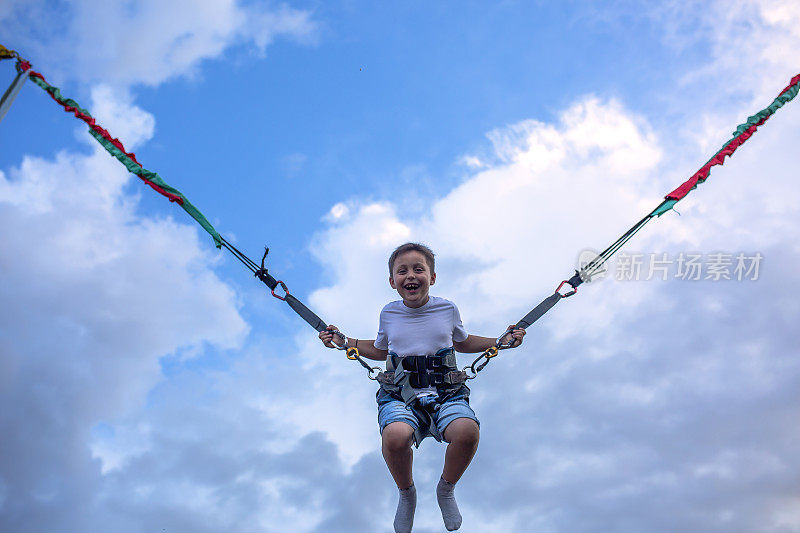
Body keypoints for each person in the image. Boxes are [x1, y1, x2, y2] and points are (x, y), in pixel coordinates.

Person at [320, 242, 525, 532]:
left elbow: (462, 342)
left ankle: (446, 488)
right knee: (395, 437)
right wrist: (346, 342)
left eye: (419, 269)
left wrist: (499, 341)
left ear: (433, 277)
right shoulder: (389, 314)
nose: (410, 276)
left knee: (467, 432)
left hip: (446, 392)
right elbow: (381, 349)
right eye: (402, 271)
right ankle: (407, 494)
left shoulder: (447, 309)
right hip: (401, 394)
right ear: (393, 282)